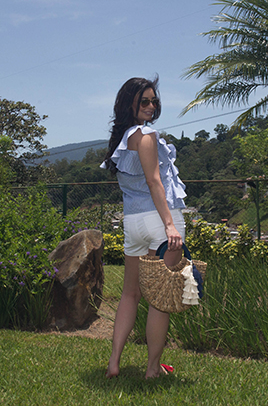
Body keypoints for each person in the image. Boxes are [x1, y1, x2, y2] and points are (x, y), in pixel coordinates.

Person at [101, 76, 187, 379]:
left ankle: (114, 362)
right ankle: (152, 368)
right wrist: (169, 226)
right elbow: (155, 181)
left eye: (154, 101)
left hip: (133, 222)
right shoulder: (147, 136)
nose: (151, 106)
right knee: (159, 300)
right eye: (144, 101)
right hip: (159, 221)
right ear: (130, 104)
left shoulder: (123, 139)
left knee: (129, 294)